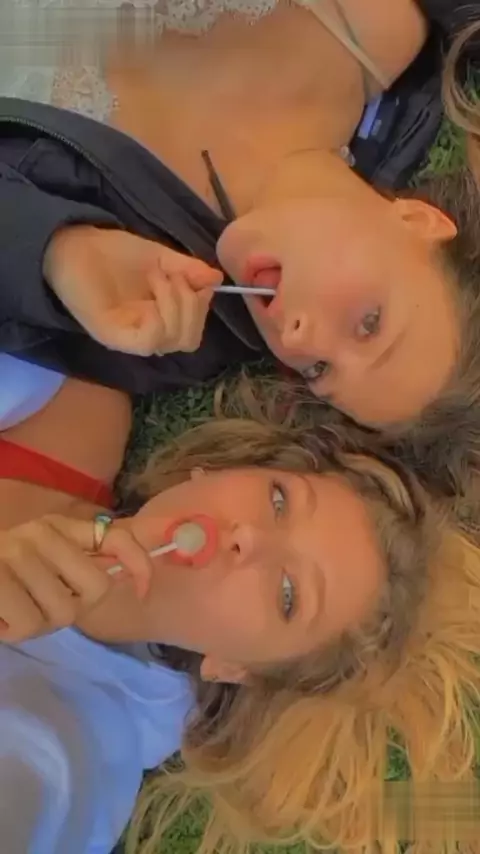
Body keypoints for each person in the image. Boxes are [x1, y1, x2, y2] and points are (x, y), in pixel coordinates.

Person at [1, 367, 480, 854]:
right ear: (220, 469)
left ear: (235, 667)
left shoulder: (69, 747)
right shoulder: (77, 405)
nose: (247, 537)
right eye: (279, 501)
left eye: (288, 596)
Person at [0, 1, 469, 421]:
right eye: (369, 323)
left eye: (318, 369)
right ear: (418, 221)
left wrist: (57, 253)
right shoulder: (375, 27)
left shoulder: (156, 322)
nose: (297, 339)